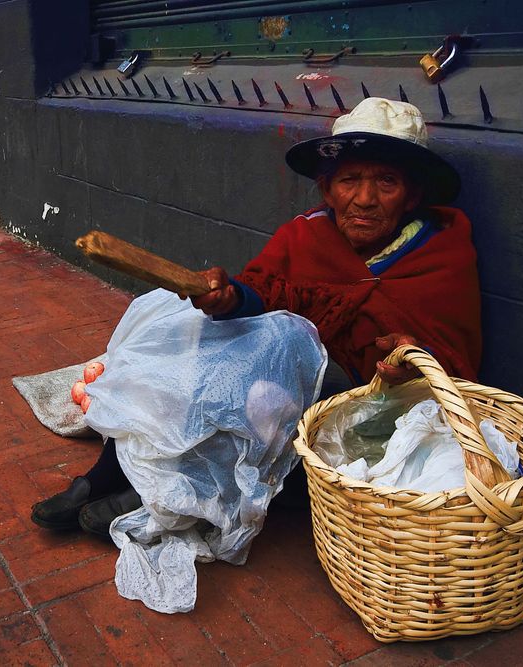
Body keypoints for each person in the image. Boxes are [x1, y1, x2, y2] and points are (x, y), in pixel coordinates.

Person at [31, 97, 482, 539]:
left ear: (412, 195)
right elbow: (264, 291)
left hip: (363, 406)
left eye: (387, 182)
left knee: (262, 376)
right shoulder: (305, 234)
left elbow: (453, 366)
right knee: (198, 347)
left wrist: (408, 357)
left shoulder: (442, 252)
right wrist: (229, 299)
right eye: (350, 181)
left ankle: (173, 494)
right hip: (289, 378)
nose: (364, 199)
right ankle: (104, 476)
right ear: (328, 189)